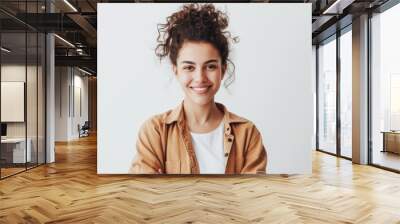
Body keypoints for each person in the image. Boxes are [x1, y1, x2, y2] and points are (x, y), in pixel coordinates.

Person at [129, 3, 267, 174]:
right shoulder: (155, 131)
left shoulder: (248, 134)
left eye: (210, 67)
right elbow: (142, 194)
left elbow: (252, 196)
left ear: (222, 70)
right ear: (176, 70)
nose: (200, 78)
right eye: (189, 67)